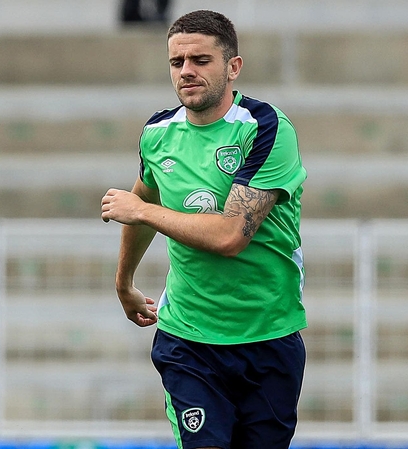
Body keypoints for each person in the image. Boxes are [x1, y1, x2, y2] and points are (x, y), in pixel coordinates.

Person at [100, 9, 307, 449]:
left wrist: (142, 212)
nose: (187, 72)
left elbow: (230, 236)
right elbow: (148, 197)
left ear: (233, 67)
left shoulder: (266, 128)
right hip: (189, 341)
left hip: (268, 335)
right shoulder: (157, 133)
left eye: (200, 60)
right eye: (177, 63)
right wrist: (124, 284)